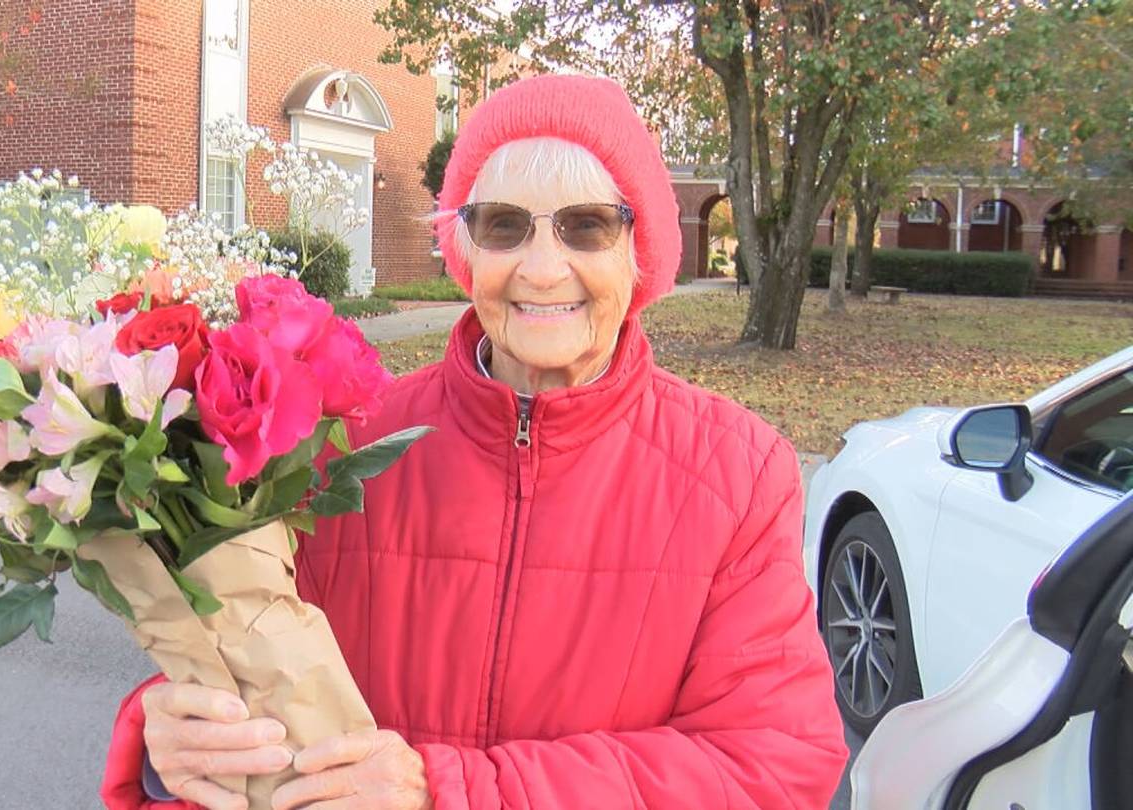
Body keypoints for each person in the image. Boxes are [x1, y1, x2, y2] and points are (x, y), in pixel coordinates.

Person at [102, 73, 848, 810]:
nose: (543, 266)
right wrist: (175, 744)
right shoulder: (340, 448)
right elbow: (252, 669)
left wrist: (453, 791)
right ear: (466, 248)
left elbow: (770, 767)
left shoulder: (740, 475)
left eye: (586, 225)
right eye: (504, 225)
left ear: (638, 250)